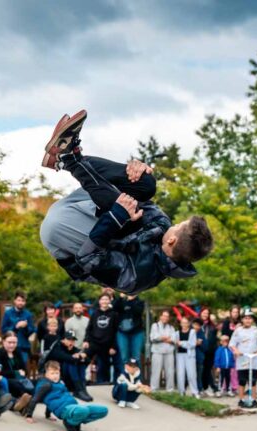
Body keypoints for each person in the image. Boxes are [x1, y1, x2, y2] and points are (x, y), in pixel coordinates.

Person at [39, 111, 213, 295]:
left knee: (126, 218)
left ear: (172, 240)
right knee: (146, 185)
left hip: (63, 235)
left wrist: (116, 217)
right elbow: (136, 199)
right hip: (82, 206)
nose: (173, 224)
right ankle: (65, 159)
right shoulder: (162, 225)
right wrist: (137, 171)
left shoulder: (138, 277)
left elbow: (88, 258)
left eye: (177, 226)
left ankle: (68, 158)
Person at [25, 361, 108, 431]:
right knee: (83, 410)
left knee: (103, 410)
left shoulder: (59, 383)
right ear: (45, 374)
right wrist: (29, 416)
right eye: (52, 373)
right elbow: (35, 399)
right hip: (64, 410)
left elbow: (51, 400)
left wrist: (47, 415)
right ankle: (69, 423)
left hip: (73, 406)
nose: (55, 376)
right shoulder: (45, 385)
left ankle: (77, 420)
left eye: (57, 373)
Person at [229, 307, 257, 401]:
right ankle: (241, 399)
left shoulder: (256, 330)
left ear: (253, 320)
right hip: (242, 359)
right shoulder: (238, 331)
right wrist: (236, 350)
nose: (247, 320)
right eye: (245, 318)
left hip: (253, 359)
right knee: (242, 380)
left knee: (253, 381)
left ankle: (253, 399)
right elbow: (232, 344)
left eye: (250, 318)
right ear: (242, 319)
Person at [83, 293, 118, 384]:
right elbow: (89, 328)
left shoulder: (114, 314)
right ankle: (82, 379)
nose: (104, 301)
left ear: (110, 301)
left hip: (107, 344)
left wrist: (113, 346)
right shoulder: (95, 313)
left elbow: (116, 331)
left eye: (106, 299)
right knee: (84, 358)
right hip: (94, 342)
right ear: (99, 301)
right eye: (102, 299)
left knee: (104, 365)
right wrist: (86, 340)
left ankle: (103, 382)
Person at [0, 331, 35, 408]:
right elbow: (0, 372)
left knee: (36, 383)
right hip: (7, 379)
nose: (12, 345)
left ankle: (25, 402)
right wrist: (16, 372)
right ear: (3, 341)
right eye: (9, 342)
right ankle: (24, 402)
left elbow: (24, 368)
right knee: (16, 384)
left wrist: (23, 372)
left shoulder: (17, 352)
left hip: (20, 379)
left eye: (14, 342)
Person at [114, 294, 146, 377]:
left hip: (137, 332)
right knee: (124, 357)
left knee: (136, 357)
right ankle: (125, 380)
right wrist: (120, 297)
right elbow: (115, 308)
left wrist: (131, 300)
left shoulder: (139, 302)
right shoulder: (122, 301)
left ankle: (137, 380)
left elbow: (138, 311)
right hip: (122, 332)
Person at [1, 292, 34, 366]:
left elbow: (31, 330)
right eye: (19, 300)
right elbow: (3, 330)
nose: (20, 303)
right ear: (14, 301)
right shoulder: (8, 313)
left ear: (25, 302)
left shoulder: (28, 314)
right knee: (10, 367)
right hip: (9, 346)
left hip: (23, 347)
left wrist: (26, 327)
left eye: (23, 301)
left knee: (22, 367)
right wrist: (15, 327)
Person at [149, 309, 177, 392]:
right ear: (160, 316)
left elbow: (174, 339)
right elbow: (153, 338)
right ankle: (154, 389)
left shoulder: (171, 327)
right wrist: (165, 338)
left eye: (167, 316)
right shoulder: (155, 326)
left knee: (170, 372)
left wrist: (161, 338)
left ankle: (170, 390)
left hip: (169, 352)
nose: (165, 318)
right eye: (164, 316)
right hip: (157, 352)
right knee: (156, 371)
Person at [173, 315, 200, 398]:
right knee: (180, 374)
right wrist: (185, 343)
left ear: (188, 324)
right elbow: (175, 342)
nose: (184, 324)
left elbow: (192, 344)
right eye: (182, 323)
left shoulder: (192, 332)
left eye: (186, 323)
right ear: (180, 324)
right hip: (179, 355)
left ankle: (195, 392)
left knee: (191, 374)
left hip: (190, 356)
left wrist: (181, 343)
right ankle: (181, 392)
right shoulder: (177, 333)